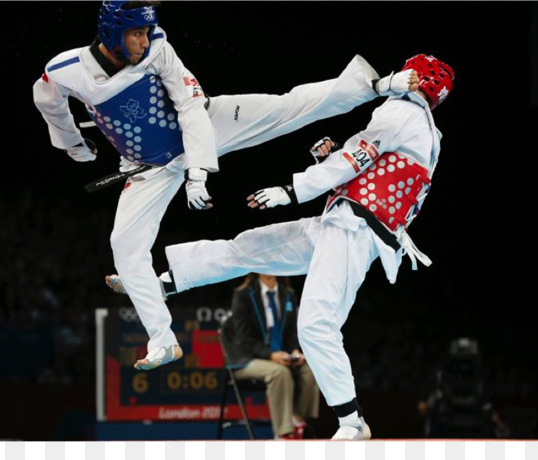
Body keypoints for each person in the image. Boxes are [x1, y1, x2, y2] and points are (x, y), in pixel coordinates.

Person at [33, 1, 419, 371]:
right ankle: (162, 338)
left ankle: (375, 84)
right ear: (112, 31)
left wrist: (198, 171)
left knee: (286, 108)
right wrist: (74, 144)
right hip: (147, 167)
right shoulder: (64, 70)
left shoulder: (158, 48)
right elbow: (49, 101)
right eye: (136, 33)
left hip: (209, 125)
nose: (143, 41)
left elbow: (189, 108)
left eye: (147, 31)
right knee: (125, 247)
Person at [159, 54, 455, 440]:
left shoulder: (403, 114)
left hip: (354, 231)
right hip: (338, 223)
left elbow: (354, 160)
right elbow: (361, 169)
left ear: (415, 81)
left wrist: (292, 189)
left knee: (317, 323)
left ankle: (352, 422)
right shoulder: (419, 125)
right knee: (250, 248)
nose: (398, 78)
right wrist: (326, 158)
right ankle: (168, 280)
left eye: (406, 74)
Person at [223, 273, 319, 439]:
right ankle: (283, 433)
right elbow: (243, 337)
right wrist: (270, 355)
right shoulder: (244, 294)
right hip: (247, 358)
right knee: (279, 373)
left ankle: (297, 419)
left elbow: (291, 332)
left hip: (282, 356)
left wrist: (295, 351)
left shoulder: (287, 294)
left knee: (311, 370)